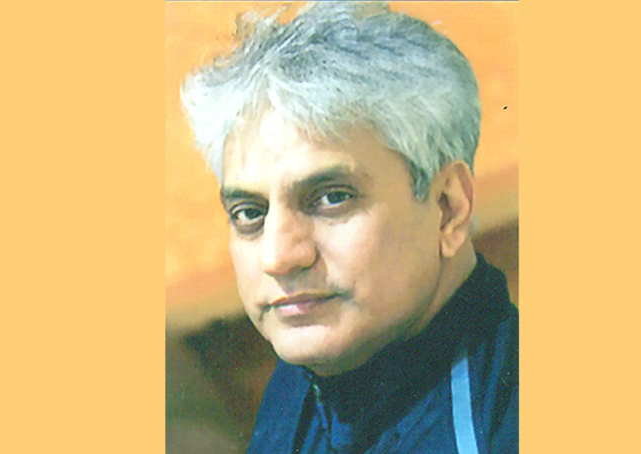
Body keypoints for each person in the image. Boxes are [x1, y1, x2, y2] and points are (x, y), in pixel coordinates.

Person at [180, 2, 518, 453]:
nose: (278, 257)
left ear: (448, 208)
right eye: (249, 213)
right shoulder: (312, 370)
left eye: (332, 198)